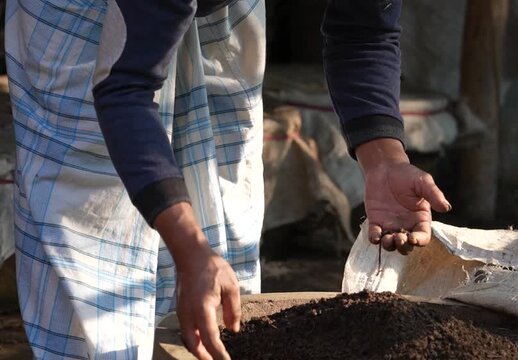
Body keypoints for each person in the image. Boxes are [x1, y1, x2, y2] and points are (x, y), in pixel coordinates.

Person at [6, 0, 451, 358]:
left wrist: (384, 159)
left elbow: (365, 31)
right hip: (86, 16)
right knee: (97, 240)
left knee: (222, 224)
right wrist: (189, 247)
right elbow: (124, 88)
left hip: (218, 12)